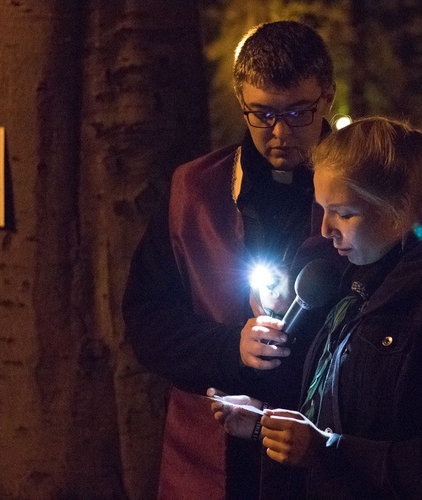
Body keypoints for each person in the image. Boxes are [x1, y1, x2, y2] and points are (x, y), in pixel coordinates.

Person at [209, 117, 422, 499]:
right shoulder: (357, 282)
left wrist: (325, 451)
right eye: (321, 208)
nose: (325, 229)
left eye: (343, 213)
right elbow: (350, 412)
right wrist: (265, 422)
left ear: (398, 208)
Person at [123, 20, 343, 499]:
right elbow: (148, 319)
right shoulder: (194, 190)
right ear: (240, 101)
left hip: (330, 453)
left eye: (298, 113)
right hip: (212, 460)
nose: (280, 133)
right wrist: (231, 350)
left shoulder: (365, 188)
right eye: (261, 115)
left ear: (328, 96)